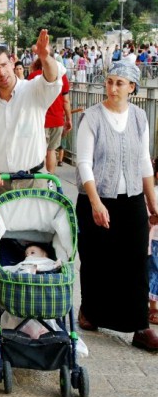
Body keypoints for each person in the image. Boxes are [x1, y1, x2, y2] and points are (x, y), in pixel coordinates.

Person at [76, 61, 158, 352]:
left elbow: (144, 161)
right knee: (97, 259)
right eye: (109, 82)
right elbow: (84, 162)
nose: (112, 88)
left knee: (136, 261)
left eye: (119, 83)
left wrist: (152, 204)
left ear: (132, 88)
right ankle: (90, 311)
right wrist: (96, 202)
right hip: (96, 199)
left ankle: (139, 326)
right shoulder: (92, 118)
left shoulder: (138, 117)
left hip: (132, 198)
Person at [0, 29, 65, 196]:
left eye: (4, 65)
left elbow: (51, 80)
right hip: (0, 185)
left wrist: (45, 58)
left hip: (35, 181)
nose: (2, 73)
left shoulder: (33, 90)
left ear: (13, 62)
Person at [28, 58, 72, 174]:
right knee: (51, 150)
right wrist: (68, 119)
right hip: (57, 119)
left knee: (40, 151)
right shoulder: (62, 77)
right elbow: (66, 101)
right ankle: (50, 181)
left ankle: (41, 178)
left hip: (40, 120)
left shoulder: (33, 76)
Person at [148, 158, 158, 325]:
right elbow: (149, 218)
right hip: (155, 241)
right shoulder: (154, 194)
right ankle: (153, 307)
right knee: (155, 273)